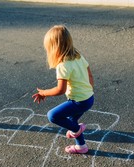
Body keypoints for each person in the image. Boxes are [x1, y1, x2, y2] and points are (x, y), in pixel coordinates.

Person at [32, 25, 94, 154]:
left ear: (54, 48)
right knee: (71, 121)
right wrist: (89, 91)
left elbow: (60, 89)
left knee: (53, 115)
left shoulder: (63, 65)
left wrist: (43, 92)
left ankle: (77, 129)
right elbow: (89, 75)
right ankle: (81, 146)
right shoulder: (78, 56)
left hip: (79, 101)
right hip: (89, 98)